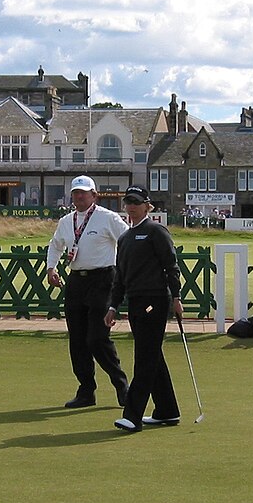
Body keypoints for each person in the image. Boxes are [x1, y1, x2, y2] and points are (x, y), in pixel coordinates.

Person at [47, 175, 130, 409]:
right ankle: (86, 390)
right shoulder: (66, 221)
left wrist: (125, 272)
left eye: (84, 192)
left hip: (103, 280)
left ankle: (121, 384)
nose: (79, 196)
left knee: (97, 338)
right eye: (76, 193)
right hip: (76, 282)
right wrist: (51, 268)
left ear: (94, 195)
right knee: (77, 340)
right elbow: (56, 245)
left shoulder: (108, 218)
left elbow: (126, 241)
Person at [104, 185, 182, 432]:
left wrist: (177, 297)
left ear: (148, 206)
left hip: (155, 300)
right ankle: (166, 411)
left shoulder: (155, 231)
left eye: (136, 202)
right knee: (153, 356)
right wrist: (113, 306)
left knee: (145, 357)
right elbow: (120, 278)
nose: (131, 207)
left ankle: (133, 415)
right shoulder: (125, 238)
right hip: (135, 301)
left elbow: (171, 266)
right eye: (128, 202)